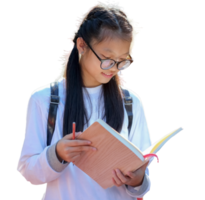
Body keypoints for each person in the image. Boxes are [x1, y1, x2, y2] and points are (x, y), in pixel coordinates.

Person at [17, 1, 154, 199]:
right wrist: (57, 154)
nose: (113, 68)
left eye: (122, 61)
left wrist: (137, 180)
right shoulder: (45, 99)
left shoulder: (131, 102)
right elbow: (29, 175)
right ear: (82, 45)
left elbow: (144, 184)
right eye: (107, 58)